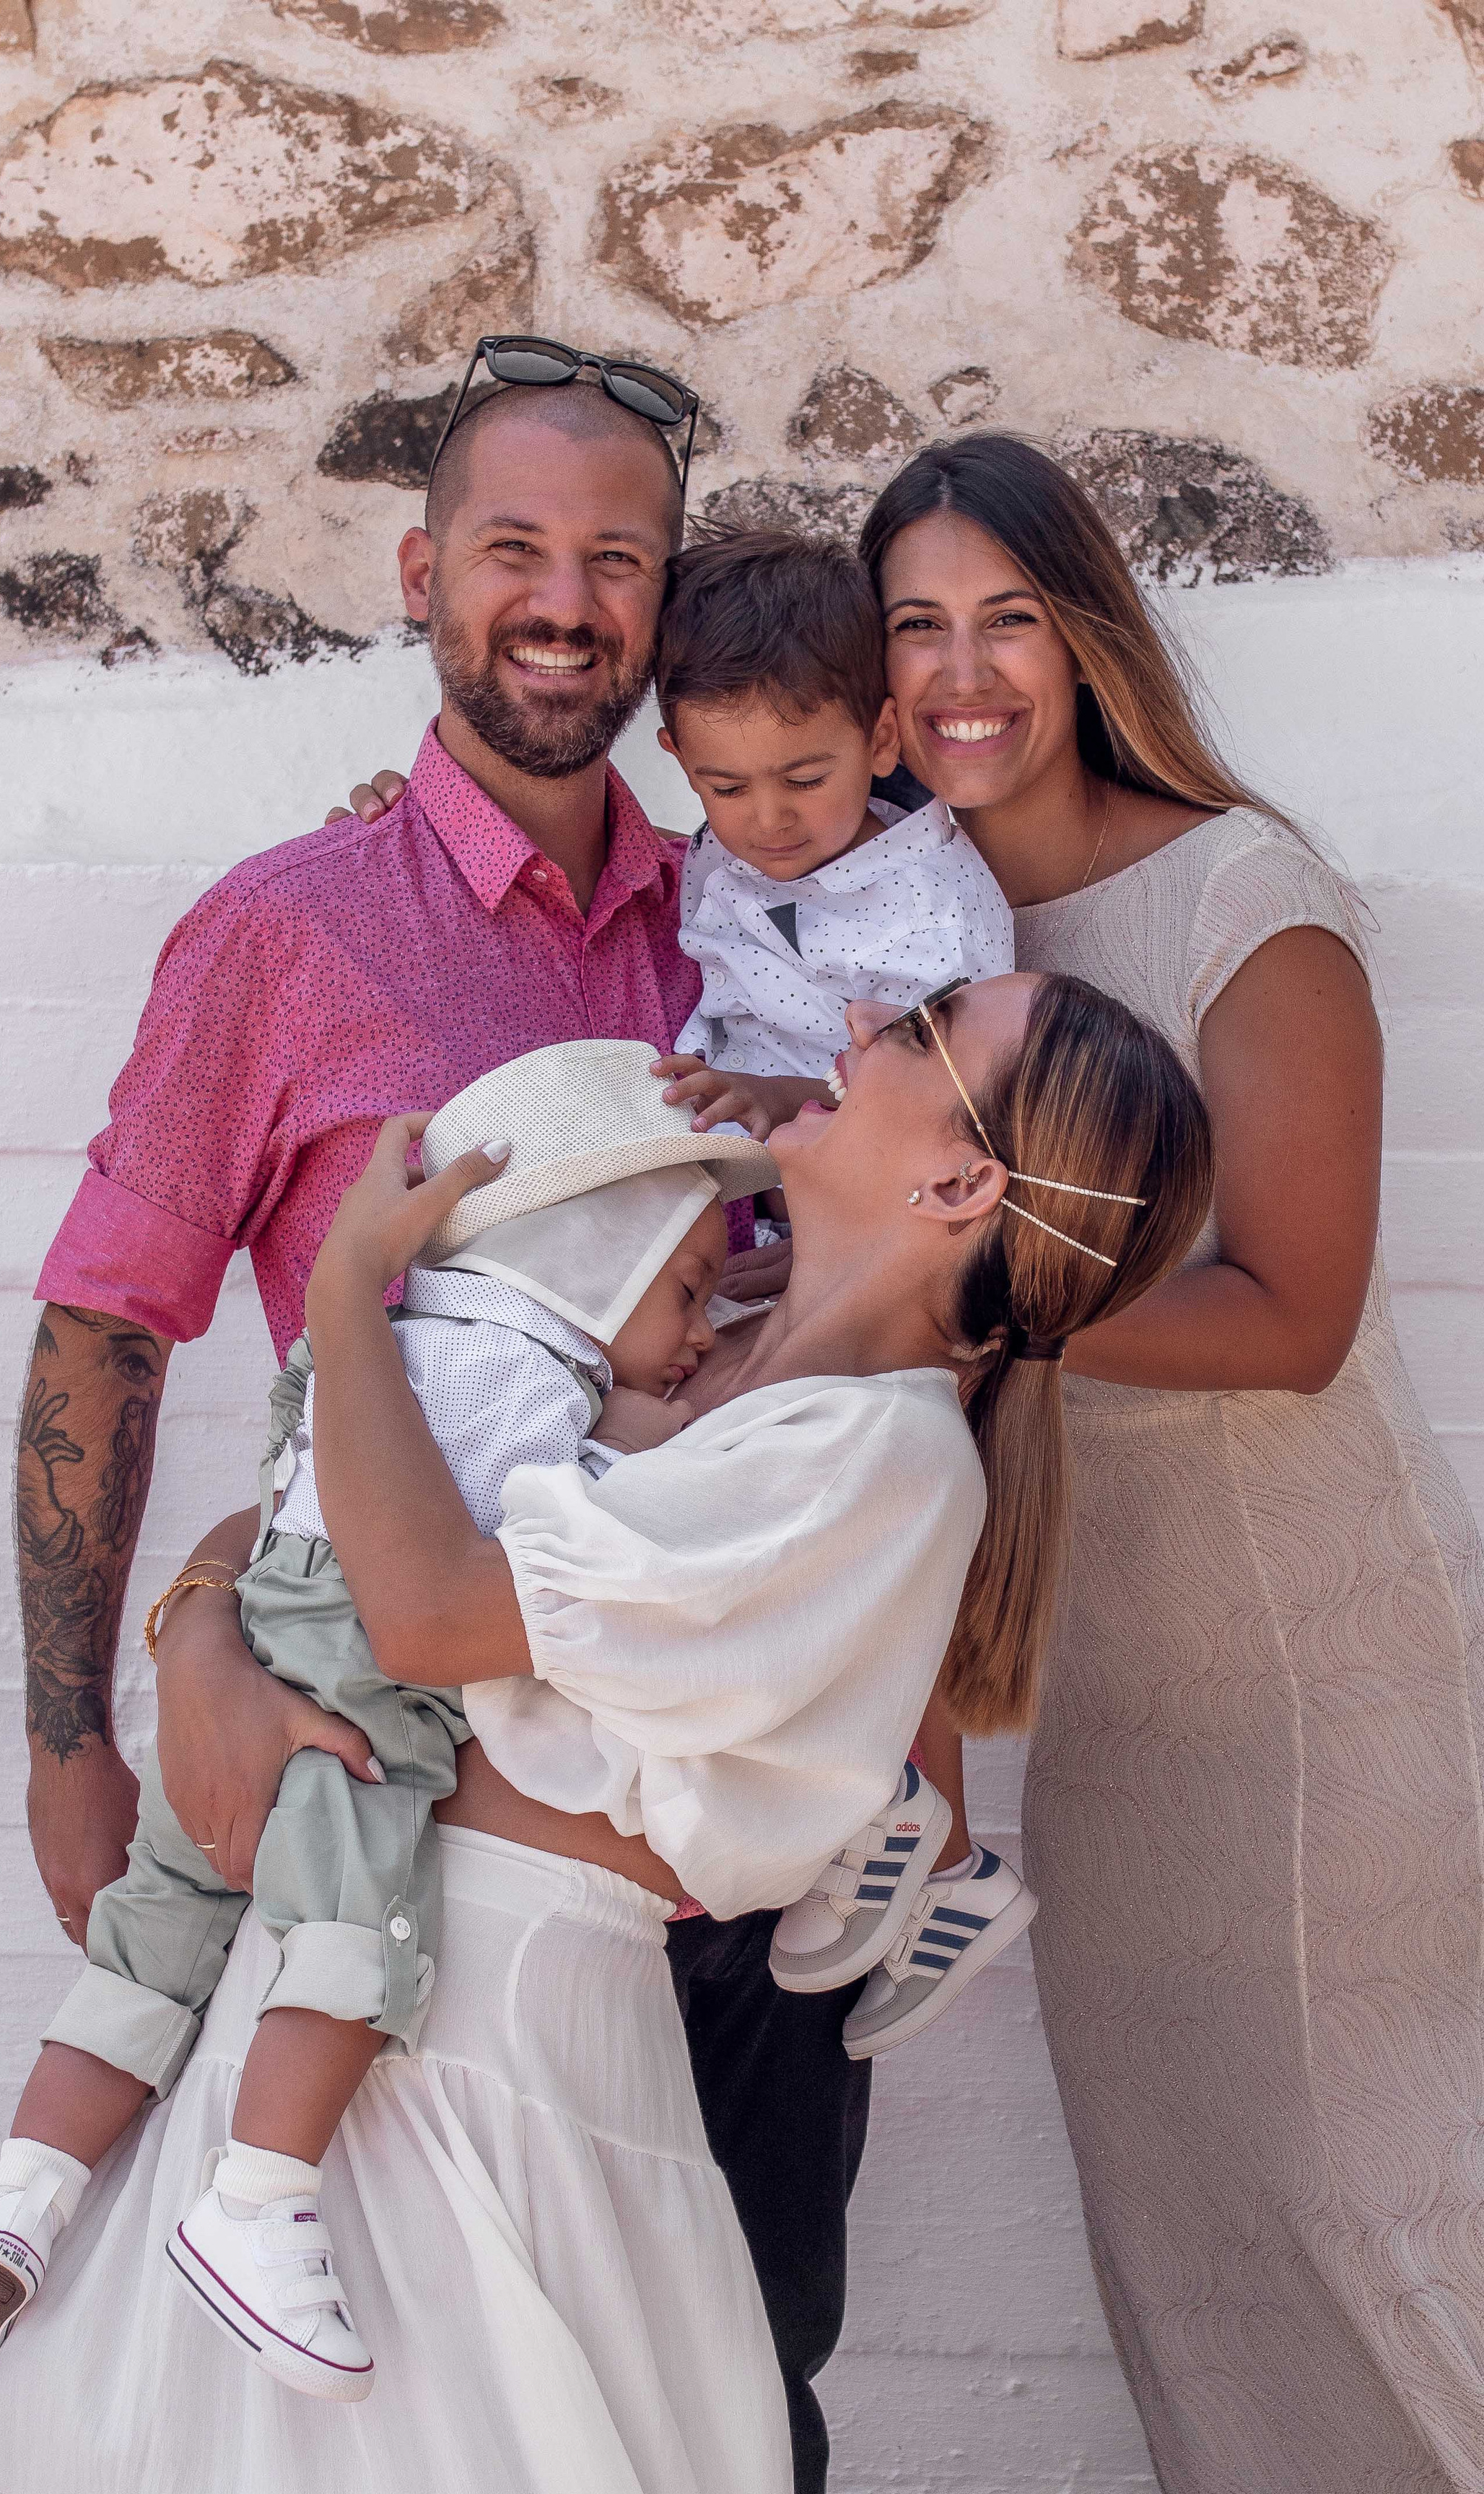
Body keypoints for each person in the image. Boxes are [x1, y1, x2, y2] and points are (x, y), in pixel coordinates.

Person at [0, 970, 1215, 2494]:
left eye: (912, 1034)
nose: (846, 1033)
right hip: (333, 1987)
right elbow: (307, 1529)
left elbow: (414, 1605)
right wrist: (200, 1644)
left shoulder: (876, 1465)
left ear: (964, 1181)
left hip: (484, 2056)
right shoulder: (693, 1319)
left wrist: (350, 1285)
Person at [7, 328, 882, 2494]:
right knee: (357, 2483)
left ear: (668, 612)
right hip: (404, 1858)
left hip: (715, 1850)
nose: (566, 600)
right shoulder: (286, 937)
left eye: (618, 559)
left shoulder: (771, 936)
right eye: (515, 547)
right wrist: (90, 1722)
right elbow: (111, 1328)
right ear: (420, 572)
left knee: (721, 2420)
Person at [848, 431, 1484, 2494]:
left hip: (1332, 1718)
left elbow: (1290, 1314)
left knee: (1381, 2311)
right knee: (1217, 2333)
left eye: (1007, 616)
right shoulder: (911, 919)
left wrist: (963, 1305)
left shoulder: (1241, 901)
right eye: (917, 626)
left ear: (1091, 635)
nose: (963, 673)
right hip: (1120, 1731)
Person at [0, 1044, 776, 2400]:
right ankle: (259, 2196)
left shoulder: (376, 1346)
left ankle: (18, 2204)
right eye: (688, 1290)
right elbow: (528, 1544)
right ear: (591, 1257)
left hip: (247, 1666)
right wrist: (678, 1422)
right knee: (357, 1944)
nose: (701, 1331)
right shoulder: (530, 1385)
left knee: (146, 1961)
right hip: (354, 1718)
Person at [635, 526, 1032, 2049]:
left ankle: (919, 1828)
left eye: (802, 778)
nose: (765, 818)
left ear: (878, 735)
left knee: (862, 1553)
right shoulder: (720, 852)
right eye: (721, 786)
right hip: (770, 1269)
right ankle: (916, 1836)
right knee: (776, 1544)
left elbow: (939, 1105)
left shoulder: (935, 912)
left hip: (897, 1282)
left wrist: (763, 1087)